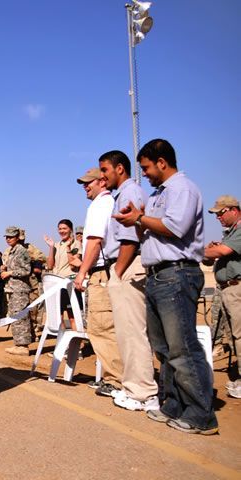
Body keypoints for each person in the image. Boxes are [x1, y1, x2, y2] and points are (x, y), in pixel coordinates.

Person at [114, 138, 218, 434]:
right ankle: (174, 403)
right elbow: (151, 227)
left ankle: (201, 413)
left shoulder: (182, 189)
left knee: (183, 347)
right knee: (163, 347)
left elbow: (175, 228)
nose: (144, 173)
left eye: (146, 167)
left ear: (162, 162)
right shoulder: (160, 194)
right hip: (159, 276)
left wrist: (140, 218)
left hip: (177, 274)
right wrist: (136, 220)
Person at [99, 151, 159, 412]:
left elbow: (130, 238)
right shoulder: (123, 194)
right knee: (127, 333)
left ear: (119, 168)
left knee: (133, 333)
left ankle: (142, 393)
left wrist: (118, 272)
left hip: (127, 265)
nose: (102, 177)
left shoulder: (129, 193)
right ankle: (135, 386)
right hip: (126, 265)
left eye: (104, 170)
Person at [73, 167, 123, 398]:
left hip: (101, 272)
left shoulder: (100, 205)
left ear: (102, 182)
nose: (85, 186)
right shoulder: (106, 203)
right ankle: (114, 377)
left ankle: (116, 380)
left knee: (102, 327)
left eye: (89, 182)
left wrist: (82, 272)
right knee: (104, 326)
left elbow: (94, 240)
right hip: (102, 270)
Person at [203, 195, 241, 399]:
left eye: (221, 213)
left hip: (237, 288)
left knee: (240, 335)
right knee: (233, 336)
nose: (218, 217)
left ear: (233, 209)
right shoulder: (231, 232)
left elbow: (223, 251)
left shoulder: (240, 230)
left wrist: (203, 250)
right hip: (227, 289)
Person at [43, 219, 81, 329]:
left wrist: (68, 247)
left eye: (64, 228)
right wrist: (51, 247)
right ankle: (62, 342)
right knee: (58, 316)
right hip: (56, 284)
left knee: (72, 316)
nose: (62, 231)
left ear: (70, 229)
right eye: (60, 229)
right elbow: (50, 266)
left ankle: (78, 342)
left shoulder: (76, 244)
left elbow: (73, 264)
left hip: (69, 283)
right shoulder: (56, 245)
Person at [1, 226, 33, 355]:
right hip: (13, 288)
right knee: (16, 315)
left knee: (20, 317)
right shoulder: (12, 251)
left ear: (17, 237)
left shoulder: (21, 251)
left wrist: (10, 273)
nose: (8, 239)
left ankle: (22, 346)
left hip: (20, 289)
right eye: (7, 237)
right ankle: (20, 343)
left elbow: (26, 270)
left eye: (11, 237)